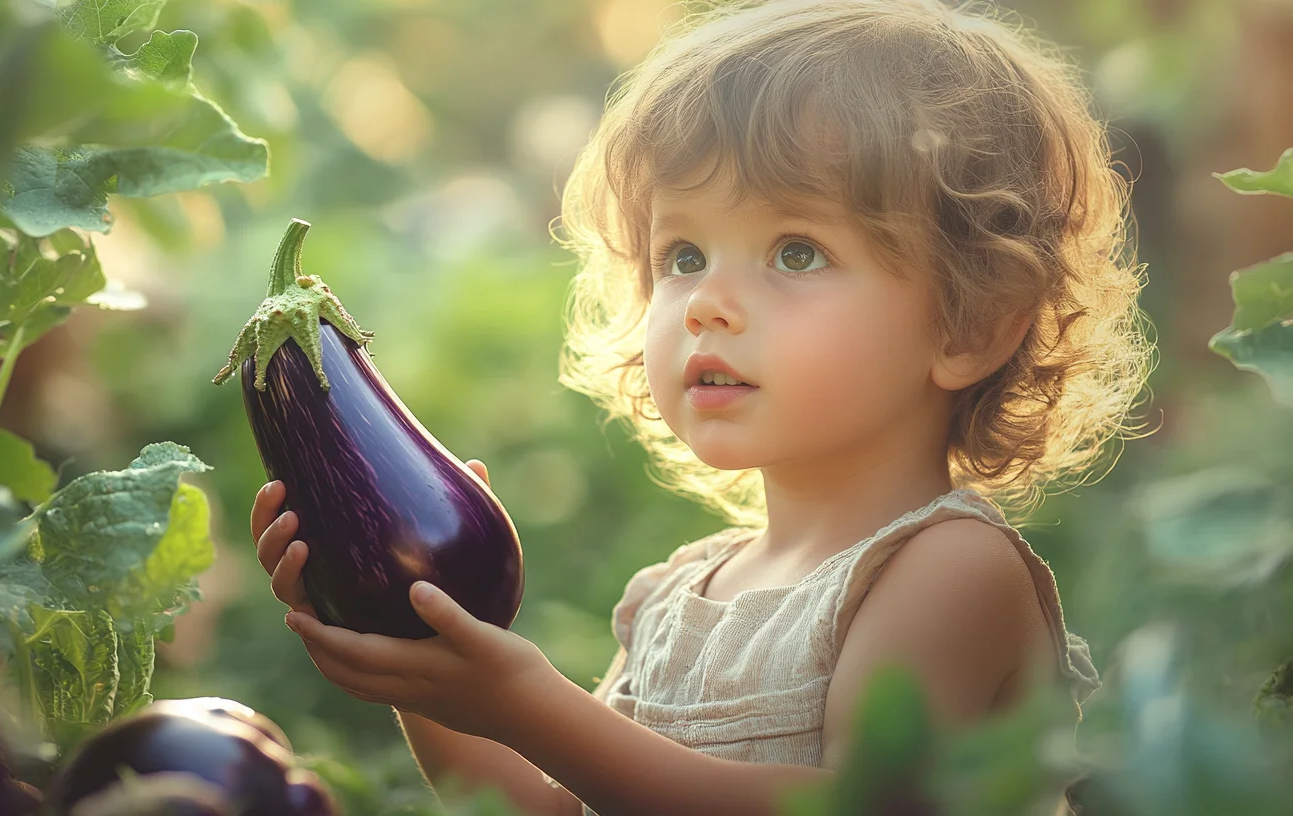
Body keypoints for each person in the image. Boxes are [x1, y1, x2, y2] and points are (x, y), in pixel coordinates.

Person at [249, 1, 1155, 813]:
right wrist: (420, 654)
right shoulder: (674, 597)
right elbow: (556, 808)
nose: (707, 301)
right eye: (682, 255)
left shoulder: (953, 570)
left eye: (795, 252)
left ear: (971, 324)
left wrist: (531, 704)